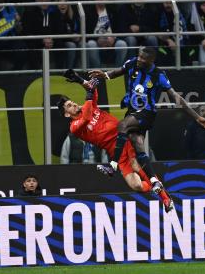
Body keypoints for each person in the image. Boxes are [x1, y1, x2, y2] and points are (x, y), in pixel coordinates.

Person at [89, 47, 205, 195]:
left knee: (122, 125)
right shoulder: (132, 63)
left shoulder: (159, 75)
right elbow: (116, 72)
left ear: (151, 60)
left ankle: (113, 165)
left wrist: (196, 116)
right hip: (132, 112)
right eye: (139, 56)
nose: (140, 60)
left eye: (143, 58)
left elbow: (176, 98)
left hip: (146, 113)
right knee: (137, 145)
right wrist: (104, 74)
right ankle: (154, 181)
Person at [57, 69, 175, 212]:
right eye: (69, 105)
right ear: (65, 114)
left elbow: (91, 90)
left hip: (123, 138)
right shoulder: (74, 127)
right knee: (135, 185)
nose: (74, 104)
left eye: (73, 102)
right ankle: (159, 189)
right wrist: (88, 95)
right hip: (115, 151)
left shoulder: (90, 106)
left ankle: (165, 198)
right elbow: (87, 116)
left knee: (137, 165)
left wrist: (80, 80)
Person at [86, 0, 128, 68]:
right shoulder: (88, 11)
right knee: (91, 44)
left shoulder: (113, 10)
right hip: (94, 39)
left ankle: (117, 71)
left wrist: (113, 38)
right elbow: (85, 31)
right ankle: (98, 72)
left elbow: (119, 28)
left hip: (111, 39)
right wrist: (97, 39)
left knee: (122, 44)